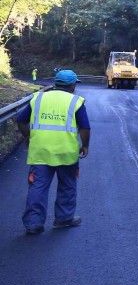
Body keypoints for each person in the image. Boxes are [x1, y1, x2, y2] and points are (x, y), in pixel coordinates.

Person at [16, 69, 90, 234]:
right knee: (67, 186)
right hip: (66, 153)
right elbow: (85, 127)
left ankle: (33, 224)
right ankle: (63, 219)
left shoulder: (38, 98)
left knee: (38, 187)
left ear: (56, 83)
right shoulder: (76, 101)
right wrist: (85, 145)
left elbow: (21, 120)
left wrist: (28, 137)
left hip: (40, 152)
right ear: (72, 85)